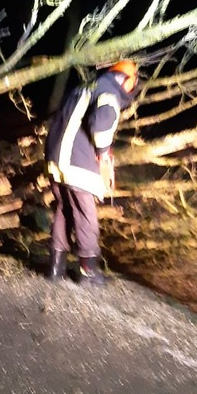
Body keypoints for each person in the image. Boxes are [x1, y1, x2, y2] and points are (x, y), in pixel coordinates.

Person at [44, 59, 139, 285]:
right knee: (86, 215)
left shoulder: (87, 86)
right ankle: (88, 271)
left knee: (65, 209)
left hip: (57, 158)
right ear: (127, 82)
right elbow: (101, 125)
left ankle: (56, 268)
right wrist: (104, 154)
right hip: (77, 162)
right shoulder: (108, 95)